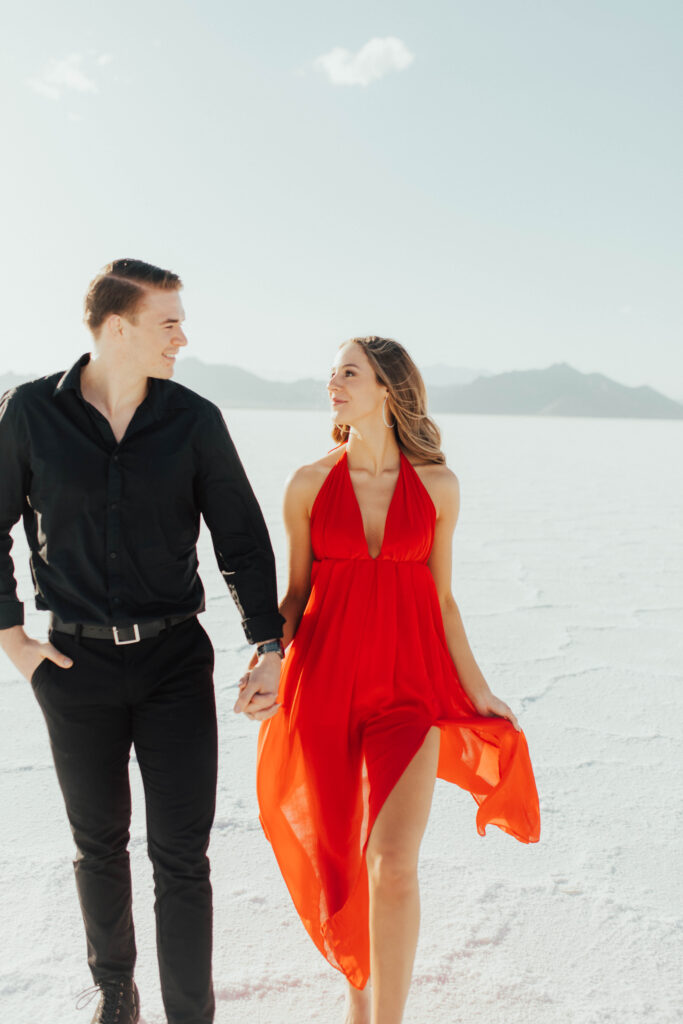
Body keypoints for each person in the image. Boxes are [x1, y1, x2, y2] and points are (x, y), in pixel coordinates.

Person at [0, 259, 284, 1024]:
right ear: (117, 326)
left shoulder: (192, 420)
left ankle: (190, 1014)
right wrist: (13, 640)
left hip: (172, 664)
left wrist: (269, 644)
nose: (182, 338)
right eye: (168, 323)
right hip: (73, 664)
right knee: (98, 846)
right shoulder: (29, 413)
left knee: (181, 858)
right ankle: (116, 992)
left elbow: (242, 539)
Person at [237, 336, 540, 1024]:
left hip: (409, 691)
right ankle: (357, 1005)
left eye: (348, 373)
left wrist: (477, 690)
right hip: (322, 685)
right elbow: (295, 596)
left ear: (387, 389)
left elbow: (442, 601)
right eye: (333, 373)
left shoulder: (437, 485)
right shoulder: (309, 484)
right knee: (342, 861)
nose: (332, 384)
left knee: (393, 861)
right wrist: (267, 659)